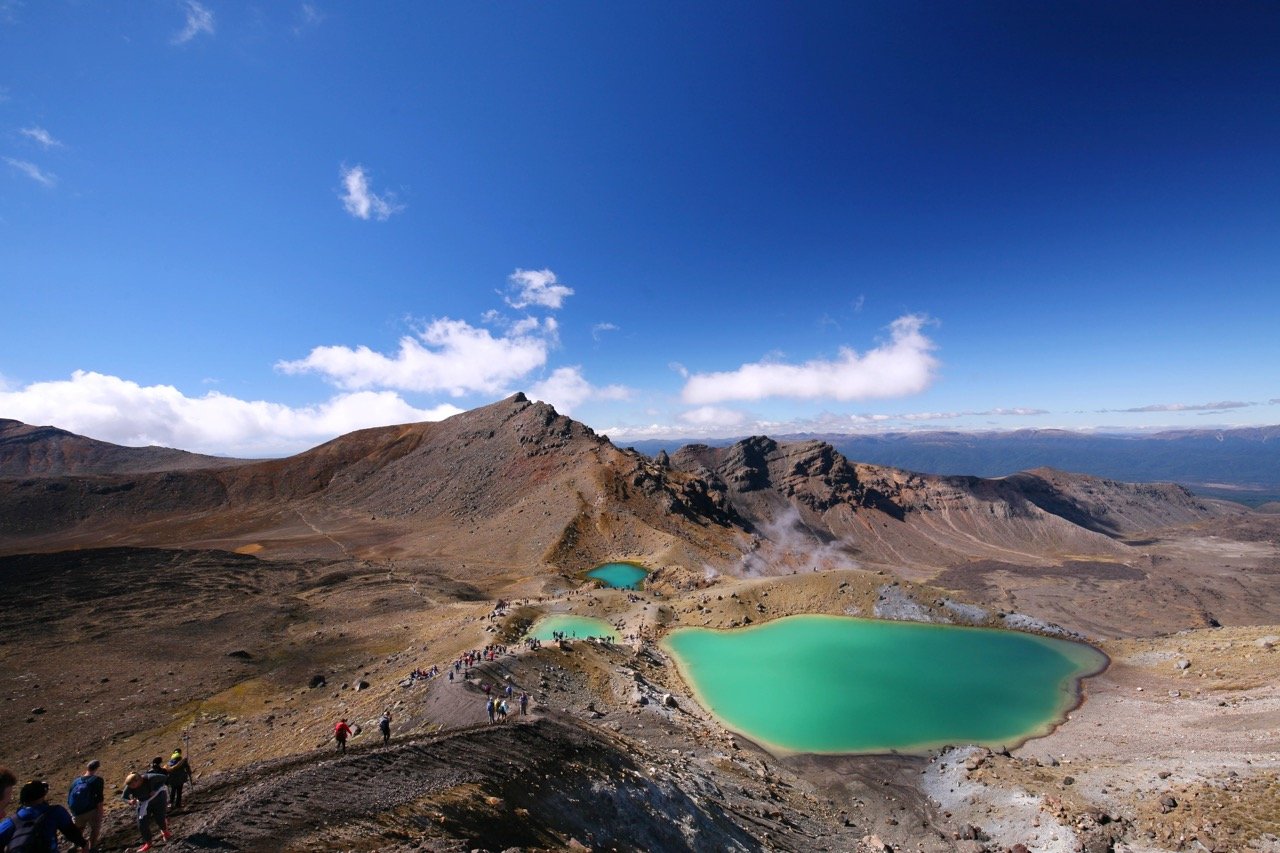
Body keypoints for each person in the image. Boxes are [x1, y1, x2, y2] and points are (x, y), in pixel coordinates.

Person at [0, 779, 89, 852]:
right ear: (42, 796)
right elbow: (71, 831)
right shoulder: (55, 812)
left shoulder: (12, 821)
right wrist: (84, 844)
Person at [122, 769, 172, 852]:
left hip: (158, 798)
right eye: (130, 786)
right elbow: (123, 797)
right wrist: (130, 801)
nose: (131, 788)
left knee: (159, 817)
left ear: (138, 780)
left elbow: (164, 778)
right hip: (143, 802)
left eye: (133, 785)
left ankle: (165, 832)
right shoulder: (130, 785)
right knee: (141, 823)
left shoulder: (150, 777)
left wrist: (155, 789)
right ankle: (148, 843)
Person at [67, 759, 106, 850]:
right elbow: (99, 798)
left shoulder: (76, 781)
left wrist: (73, 812)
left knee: (79, 829)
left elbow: (69, 798)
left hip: (76, 812)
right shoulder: (97, 780)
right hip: (91, 810)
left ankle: (75, 845)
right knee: (95, 829)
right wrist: (100, 811)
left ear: (87, 768)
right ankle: (91, 848)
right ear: (97, 768)